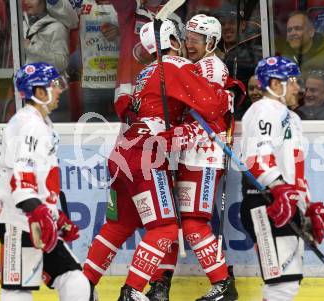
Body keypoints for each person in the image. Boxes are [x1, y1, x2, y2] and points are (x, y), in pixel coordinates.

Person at [83, 19, 230, 301]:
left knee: (118, 226)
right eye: (182, 38)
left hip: (122, 153)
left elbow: (125, 106)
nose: (186, 44)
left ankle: (84, 286)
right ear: (173, 40)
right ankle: (132, 290)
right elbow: (213, 104)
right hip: (147, 156)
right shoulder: (176, 66)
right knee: (164, 227)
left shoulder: (146, 72)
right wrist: (228, 94)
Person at [146, 14, 240, 301]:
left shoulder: (212, 67)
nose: (189, 45)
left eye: (196, 40)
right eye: (187, 39)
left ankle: (223, 283)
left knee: (193, 223)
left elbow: (211, 115)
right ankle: (161, 284)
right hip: (186, 155)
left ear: (211, 42)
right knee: (170, 223)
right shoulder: (193, 66)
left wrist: (175, 137)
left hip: (204, 155)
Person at [0, 62, 93, 301]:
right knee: (27, 284)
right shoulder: (32, 125)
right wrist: (39, 212)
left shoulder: (31, 121)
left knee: (68, 277)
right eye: (54, 85)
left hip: (18, 214)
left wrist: (53, 214)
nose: (60, 90)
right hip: (18, 217)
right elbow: (23, 176)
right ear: (39, 93)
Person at [240, 56, 324, 301]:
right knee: (281, 286)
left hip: (285, 202)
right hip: (266, 203)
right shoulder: (263, 110)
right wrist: (280, 189)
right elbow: (256, 160)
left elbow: (296, 170)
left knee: (287, 285)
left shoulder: (293, 118)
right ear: (275, 85)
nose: (299, 88)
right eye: (293, 82)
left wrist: (306, 206)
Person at [279, 11, 324, 96]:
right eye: (289, 30)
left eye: (298, 28)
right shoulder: (285, 58)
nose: (292, 33)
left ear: (311, 32)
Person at [215, 2, 263, 118]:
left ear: (242, 25)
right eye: (223, 24)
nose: (226, 27)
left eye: (231, 22)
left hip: (246, 115)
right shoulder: (215, 52)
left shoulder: (254, 53)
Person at [23, 0, 70, 74]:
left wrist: (32, 48)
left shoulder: (56, 27)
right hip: (24, 81)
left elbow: (62, 64)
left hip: (47, 83)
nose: (26, 2)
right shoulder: (20, 24)